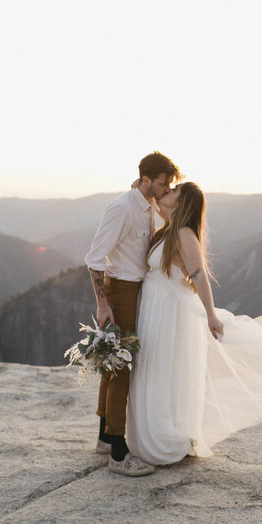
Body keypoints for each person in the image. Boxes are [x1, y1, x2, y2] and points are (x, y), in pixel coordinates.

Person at [127, 182, 262, 466]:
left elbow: (199, 275)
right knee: (149, 366)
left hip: (168, 311)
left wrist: (211, 315)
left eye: (174, 190)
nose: (168, 191)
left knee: (160, 367)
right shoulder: (169, 227)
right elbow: (157, 205)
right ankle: (149, 433)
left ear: (184, 201)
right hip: (154, 306)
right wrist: (140, 191)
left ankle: (164, 437)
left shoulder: (184, 234)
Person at [85, 151, 181, 477]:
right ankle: (117, 452)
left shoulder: (144, 204)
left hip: (134, 291)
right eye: (162, 183)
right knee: (122, 367)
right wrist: (103, 304)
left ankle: (103, 435)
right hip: (120, 291)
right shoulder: (122, 208)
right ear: (145, 180)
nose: (166, 188)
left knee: (114, 363)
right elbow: (95, 259)